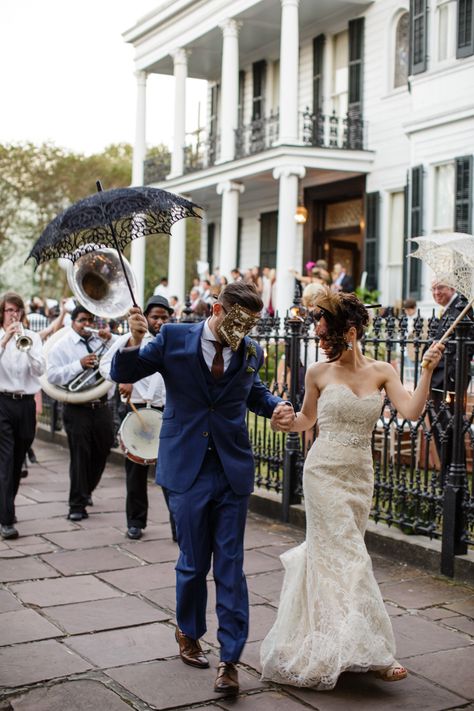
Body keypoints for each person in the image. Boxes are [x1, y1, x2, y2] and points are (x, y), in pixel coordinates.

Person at [110, 281, 294, 695]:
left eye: (250, 325)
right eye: (237, 321)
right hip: (186, 469)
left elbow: (254, 392)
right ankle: (188, 632)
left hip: (231, 470)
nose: (244, 332)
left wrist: (276, 406)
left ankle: (230, 658)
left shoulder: (251, 350)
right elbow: (123, 373)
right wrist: (136, 337)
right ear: (216, 309)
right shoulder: (174, 337)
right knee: (193, 561)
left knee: (230, 563)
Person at [260, 287, 443, 690]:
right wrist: (283, 422)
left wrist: (427, 370)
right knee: (351, 555)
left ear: (351, 331)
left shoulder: (383, 371)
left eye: (327, 334)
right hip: (322, 472)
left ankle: (339, 642)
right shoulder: (317, 373)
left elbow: (411, 412)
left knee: (335, 558)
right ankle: (376, 652)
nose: (321, 341)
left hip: (359, 475)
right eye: (319, 335)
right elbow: (307, 420)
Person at [100, 295, 175, 541]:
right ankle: (135, 522)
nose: (160, 321)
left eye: (164, 317)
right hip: (135, 410)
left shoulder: (174, 342)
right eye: (155, 316)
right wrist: (123, 378)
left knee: (171, 472)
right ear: (146, 317)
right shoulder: (129, 339)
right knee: (135, 472)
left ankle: (178, 525)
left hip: (164, 413)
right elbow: (105, 365)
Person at [47, 305, 116, 521]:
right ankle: (76, 505)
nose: (87, 325)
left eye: (90, 321)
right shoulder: (61, 346)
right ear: (73, 322)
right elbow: (52, 376)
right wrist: (79, 365)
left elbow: (123, 352)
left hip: (102, 406)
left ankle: (85, 490)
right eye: (82, 320)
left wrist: (110, 338)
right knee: (80, 456)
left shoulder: (101, 342)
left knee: (103, 450)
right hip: (77, 408)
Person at [0, 292, 45, 539]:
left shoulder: (33, 337)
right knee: (5, 461)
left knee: (17, 462)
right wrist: (5, 340)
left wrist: (25, 345)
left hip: (25, 404)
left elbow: (40, 369)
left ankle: (6, 505)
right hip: (2, 402)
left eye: (17, 310)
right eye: (9, 310)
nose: (13, 315)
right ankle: (6, 519)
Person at [427, 280, 474, 483]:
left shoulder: (462, 310)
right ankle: (446, 473)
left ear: (453, 288)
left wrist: (451, 376)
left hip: (448, 383)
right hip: (437, 380)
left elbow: (468, 345)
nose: (436, 292)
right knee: (440, 427)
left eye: (441, 288)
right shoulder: (447, 311)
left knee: (448, 428)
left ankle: (453, 475)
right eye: (434, 289)